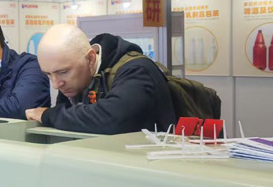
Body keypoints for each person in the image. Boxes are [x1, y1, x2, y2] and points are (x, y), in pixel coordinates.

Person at [25, 24, 177, 134]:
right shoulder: (73, 80)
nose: (56, 84)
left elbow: (112, 119)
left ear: (91, 59)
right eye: (48, 74)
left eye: (63, 72)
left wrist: (48, 115)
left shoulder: (136, 71)